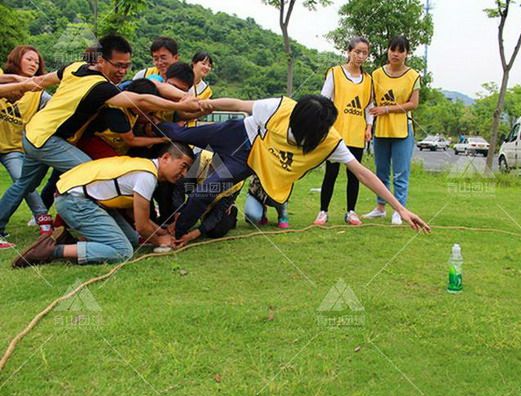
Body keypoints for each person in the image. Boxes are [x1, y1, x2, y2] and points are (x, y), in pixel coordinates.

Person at [0, 34, 204, 246]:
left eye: (127, 66)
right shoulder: (101, 88)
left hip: (33, 133)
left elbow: (40, 81)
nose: (122, 71)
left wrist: (13, 81)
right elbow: (141, 99)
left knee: (24, 184)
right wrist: (180, 106)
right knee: (92, 176)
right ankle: (74, 230)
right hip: (46, 140)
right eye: (118, 65)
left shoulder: (75, 67)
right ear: (100, 60)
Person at [157, 95, 431, 247]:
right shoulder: (279, 108)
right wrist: (203, 104)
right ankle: (137, 129)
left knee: (205, 192)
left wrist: (400, 208)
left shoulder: (329, 141)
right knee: (174, 133)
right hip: (239, 133)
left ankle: (175, 234)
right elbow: (239, 105)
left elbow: (362, 172)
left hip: (247, 159)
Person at [12, 142, 194, 267]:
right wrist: (160, 240)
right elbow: (142, 225)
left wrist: (162, 232)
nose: (184, 174)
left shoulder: (144, 167)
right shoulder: (147, 176)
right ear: (166, 157)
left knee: (131, 240)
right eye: (183, 166)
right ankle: (50, 250)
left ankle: (69, 241)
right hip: (75, 201)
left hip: (81, 199)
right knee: (123, 251)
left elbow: (134, 214)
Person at [314, 37, 373, 226]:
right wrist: (323, 125)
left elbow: (369, 107)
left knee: (354, 174)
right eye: (357, 52)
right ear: (349, 52)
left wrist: (369, 127)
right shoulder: (335, 73)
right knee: (330, 173)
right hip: (336, 132)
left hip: (357, 133)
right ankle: (323, 211)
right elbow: (324, 100)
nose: (360, 56)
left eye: (364, 53)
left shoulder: (368, 80)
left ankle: (351, 212)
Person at [363, 35, 421, 225]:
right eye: (393, 49)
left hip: (403, 131)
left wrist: (387, 109)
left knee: (400, 173)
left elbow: (413, 104)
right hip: (381, 130)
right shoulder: (377, 74)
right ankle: (380, 208)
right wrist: (369, 124)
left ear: (406, 53)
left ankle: (399, 210)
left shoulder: (413, 75)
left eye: (401, 50)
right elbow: (371, 102)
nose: (396, 54)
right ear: (387, 50)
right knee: (381, 171)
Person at [0, 46, 52, 240]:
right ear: (17, 58)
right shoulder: (1, 75)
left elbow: (58, 107)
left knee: (23, 182)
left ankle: (42, 219)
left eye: (37, 62)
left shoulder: (39, 95)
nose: (33, 64)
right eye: (29, 59)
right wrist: (17, 81)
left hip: (13, 148)